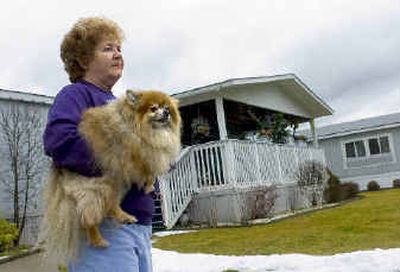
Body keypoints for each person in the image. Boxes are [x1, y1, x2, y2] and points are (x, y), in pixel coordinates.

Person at [43, 16, 153, 272]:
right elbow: (60, 141)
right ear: (82, 59)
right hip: (105, 228)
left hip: (139, 226)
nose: (117, 54)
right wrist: (125, 163)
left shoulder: (119, 103)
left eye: (119, 49)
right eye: (107, 48)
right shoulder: (76, 94)